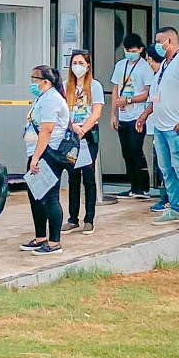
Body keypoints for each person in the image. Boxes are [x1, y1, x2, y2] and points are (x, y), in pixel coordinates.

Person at [134, 26, 179, 228]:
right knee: (167, 169)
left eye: (159, 41)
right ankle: (175, 207)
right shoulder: (165, 64)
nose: (156, 45)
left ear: (170, 41)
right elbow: (157, 95)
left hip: (178, 127)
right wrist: (145, 115)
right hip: (161, 128)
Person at [20, 64, 70, 254]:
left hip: (47, 154)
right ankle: (40, 237)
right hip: (37, 152)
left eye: (35, 79)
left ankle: (54, 241)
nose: (32, 83)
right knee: (36, 196)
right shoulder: (42, 98)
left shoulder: (51, 100)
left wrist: (36, 158)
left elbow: (47, 130)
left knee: (50, 197)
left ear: (46, 82)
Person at [64, 49, 106, 234]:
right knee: (73, 176)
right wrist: (73, 127)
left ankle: (89, 219)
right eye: (75, 63)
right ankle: (73, 218)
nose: (78, 67)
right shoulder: (66, 85)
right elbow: (62, 111)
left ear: (88, 65)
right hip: (72, 132)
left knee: (88, 176)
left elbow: (96, 112)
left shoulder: (94, 86)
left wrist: (83, 130)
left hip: (88, 133)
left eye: (81, 63)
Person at [108, 34, 154, 200]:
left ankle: (144, 187)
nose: (130, 53)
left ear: (141, 50)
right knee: (126, 152)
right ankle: (133, 187)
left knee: (136, 151)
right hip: (123, 116)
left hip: (137, 116)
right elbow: (115, 90)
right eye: (127, 50)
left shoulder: (145, 67)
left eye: (133, 51)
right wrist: (113, 114)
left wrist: (129, 99)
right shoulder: (120, 65)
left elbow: (148, 93)